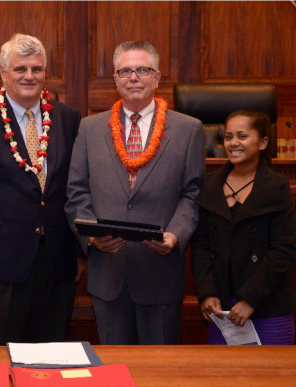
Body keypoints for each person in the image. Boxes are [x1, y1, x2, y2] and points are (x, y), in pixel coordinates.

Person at [65, 41, 205, 345]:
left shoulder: (188, 129)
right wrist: (90, 235)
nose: (133, 77)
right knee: (115, 369)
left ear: (157, 77)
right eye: (125, 71)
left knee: (161, 372)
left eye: (142, 70)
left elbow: (193, 192)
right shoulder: (89, 128)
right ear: (115, 79)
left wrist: (176, 234)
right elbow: (76, 191)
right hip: (109, 273)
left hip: (160, 272)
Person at [0, 33, 82, 344]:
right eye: (20, 69)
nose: (29, 76)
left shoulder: (67, 118)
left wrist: (76, 252)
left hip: (56, 265)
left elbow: (73, 190)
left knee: (50, 360)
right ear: (3, 73)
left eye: (37, 69)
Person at [191, 110, 296, 344]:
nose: (233, 143)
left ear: (263, 142)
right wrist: (207, 293)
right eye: (228, 137)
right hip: (221, 310)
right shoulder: (210, 185)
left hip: (267, 305)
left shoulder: (277, 187)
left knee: (273, 379)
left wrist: (251, 299)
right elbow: (200, 246)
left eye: (242, 136)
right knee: (222, 379)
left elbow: (283, 251)